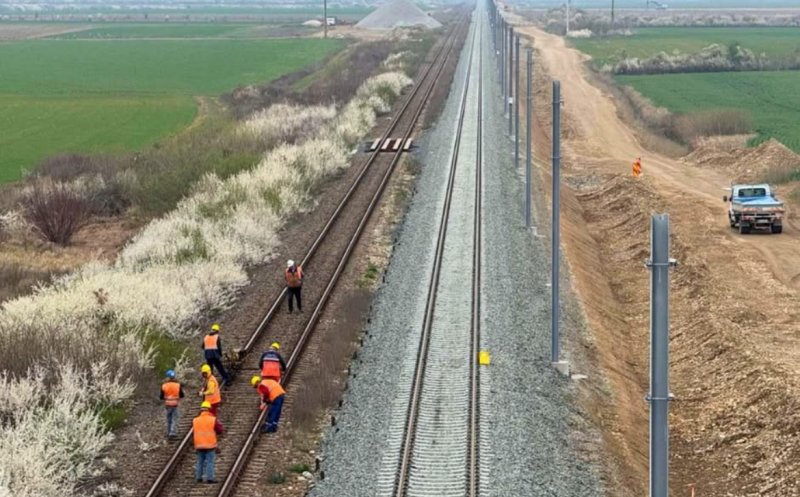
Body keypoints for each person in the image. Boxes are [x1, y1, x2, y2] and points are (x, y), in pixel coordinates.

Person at [193, 401, 224, 484]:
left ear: (201, 410)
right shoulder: (212, 419)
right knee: (210, 461)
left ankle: (198, 478)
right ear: (209, 409)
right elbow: (220, 430)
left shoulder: (195, 420)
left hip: (199, 444)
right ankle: (210, 478)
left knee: (200, 461)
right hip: (210, 444)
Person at [160, 369, 185, 439]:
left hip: (167, 404)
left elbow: (161, 397)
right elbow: (182, 395)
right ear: (174, 377)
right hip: (175, 404)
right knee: (174, 418)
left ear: (167, 377)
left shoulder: (164, 386)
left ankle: (169, 432)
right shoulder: (178, 385)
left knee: (169, 418)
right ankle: (172, 432)